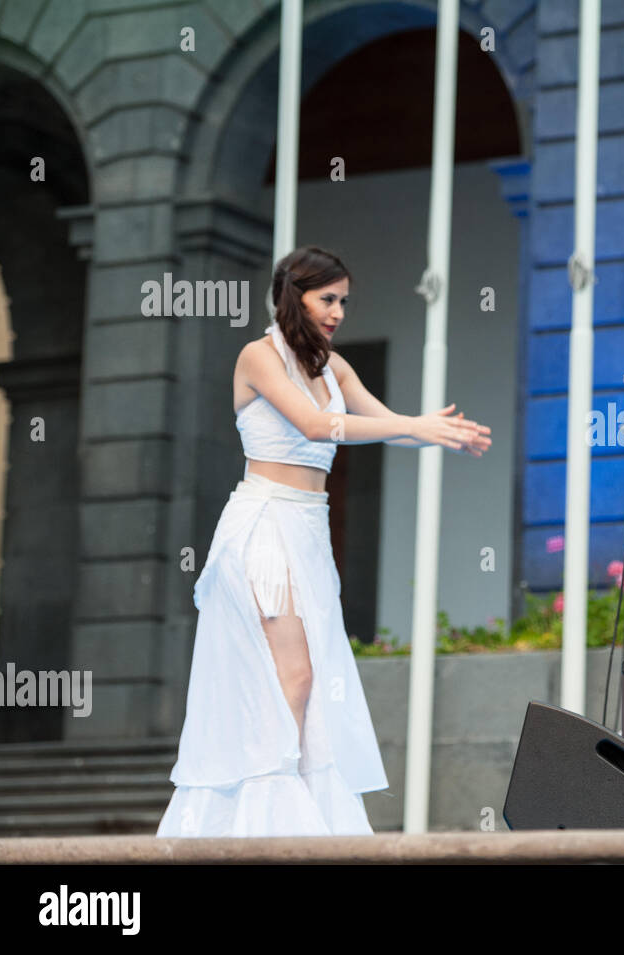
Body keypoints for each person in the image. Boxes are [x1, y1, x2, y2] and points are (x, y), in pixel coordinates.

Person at [157, 246, 491, 837]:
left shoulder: (333, 368)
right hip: (263, 528)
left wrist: (438, 433)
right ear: (294, 296)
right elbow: (317, 427)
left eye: (344, 301)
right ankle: (268, 828)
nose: (338, 312)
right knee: (297, 675)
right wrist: (411, 425)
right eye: (327, 299)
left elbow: (382, 426)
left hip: (309, 532)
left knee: (309, 687)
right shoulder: (258, 357)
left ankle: (293, 818)